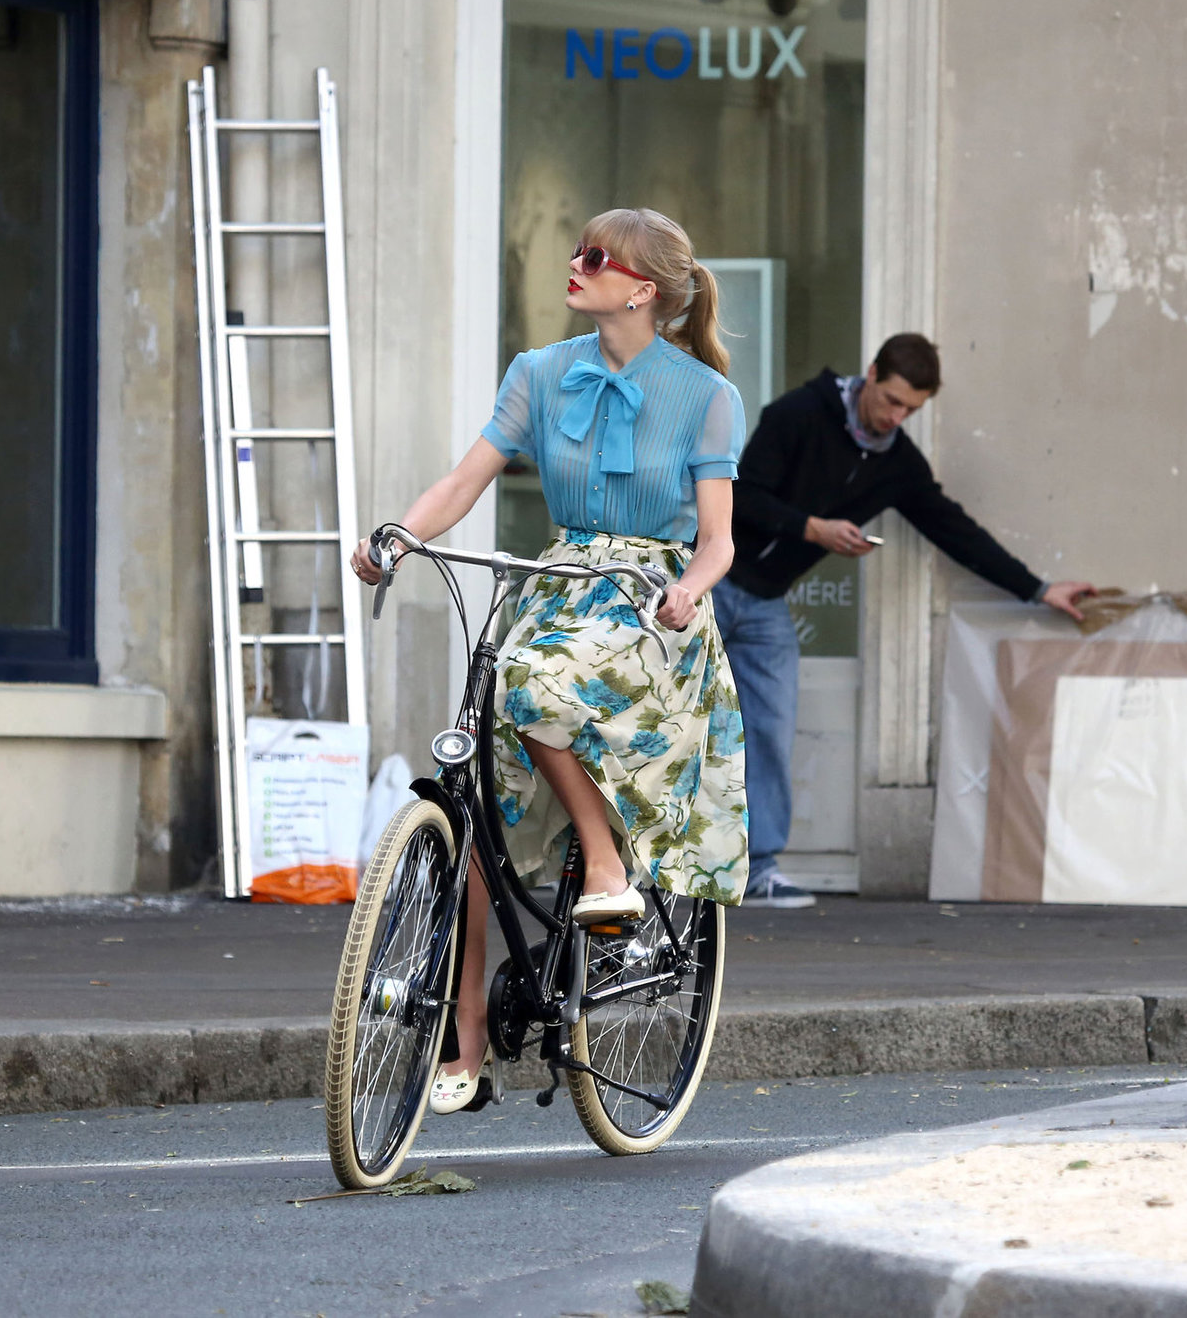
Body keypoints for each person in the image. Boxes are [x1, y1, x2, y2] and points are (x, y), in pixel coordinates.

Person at [350, 208, 749, 1114]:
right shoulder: (538, 373)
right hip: (556, 586)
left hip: (649, 608)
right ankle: (465, 1042)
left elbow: (721, 541)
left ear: (641, 288)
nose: (575, 264)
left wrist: (688, 586)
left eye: (595, 257)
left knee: (528, 686)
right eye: (577, 250)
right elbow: (462, 482)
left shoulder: (704, 394)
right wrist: (401, 535)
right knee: (480, 782)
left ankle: (604, 866)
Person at [714, 332, 1096, 909]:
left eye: (911, 409)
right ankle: (636, 865)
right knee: (674, 722)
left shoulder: (897, 465)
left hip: (767, 603)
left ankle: (759, 867)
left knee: (769, 728)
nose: (896, 417)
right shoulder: (798, 414)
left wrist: (1038, 589)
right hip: (707, 586)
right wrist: (813, 528)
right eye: (891, 400)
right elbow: (740, 497)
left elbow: (954, 528)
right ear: (870, 373)